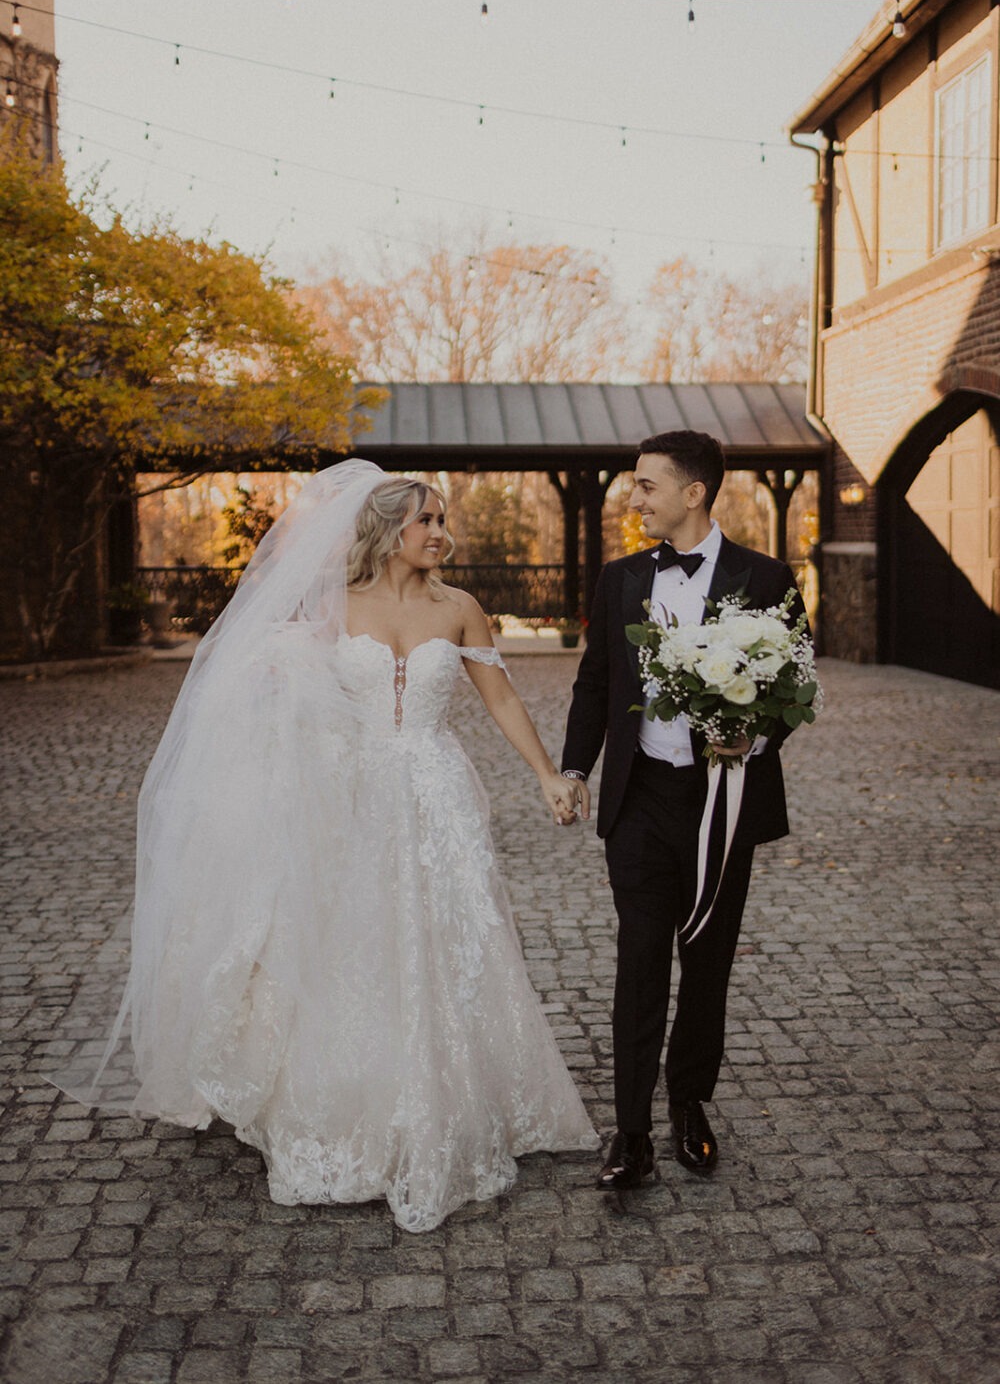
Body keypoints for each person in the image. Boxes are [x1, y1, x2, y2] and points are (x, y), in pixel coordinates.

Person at [52, 460, 596, 1233]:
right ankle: (350, 1101)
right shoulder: (329, 609)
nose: (442, 534)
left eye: (444, 520)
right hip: (353, 795)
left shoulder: (462, 609)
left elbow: (500, 695)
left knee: (456, 936)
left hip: (439, 790)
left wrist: (546, 773)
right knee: (357, 944)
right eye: (428, 521)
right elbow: (265, 693)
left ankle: (461, 1097)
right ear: (387, 531)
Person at [559, 430, 808, 1190]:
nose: (633, 499)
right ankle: (630, 1131)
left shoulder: (766, 578)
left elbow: (795, 686)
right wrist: (576, 767)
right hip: (641, 800)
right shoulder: (621, 578)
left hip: (722, 805)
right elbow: (595, 681)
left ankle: (689, 1104)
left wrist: (754, 736)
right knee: (639, 963)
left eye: (645, 486)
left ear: (692, 493)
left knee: (708, 962)